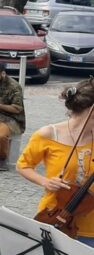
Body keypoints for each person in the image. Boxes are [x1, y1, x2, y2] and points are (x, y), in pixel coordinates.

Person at [17, 79, 94, 247]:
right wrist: (46, 181)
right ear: (91, 111)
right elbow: (23, 165)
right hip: (56, 218)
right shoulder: (48, 134)